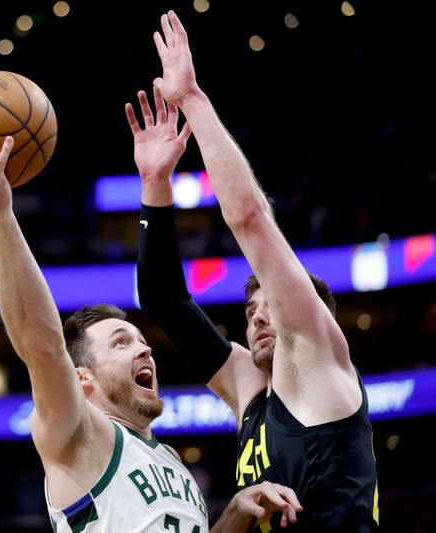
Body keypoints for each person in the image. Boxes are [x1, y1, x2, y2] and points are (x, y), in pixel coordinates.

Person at [0, 119, 303, 531]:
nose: (145, 349)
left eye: (141, 341)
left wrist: (236, 511)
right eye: (120, 343)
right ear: (82, 378)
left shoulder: (173, 464)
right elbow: (42, 346)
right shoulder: (77, 435)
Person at [133, 9, 379, 532]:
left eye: (272, 307)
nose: (260, 319)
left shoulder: (316, 358)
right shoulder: (250, 386)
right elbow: (164, 302)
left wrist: (191, 101)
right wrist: (155, 185)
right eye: (251, 310)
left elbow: (249, 218)